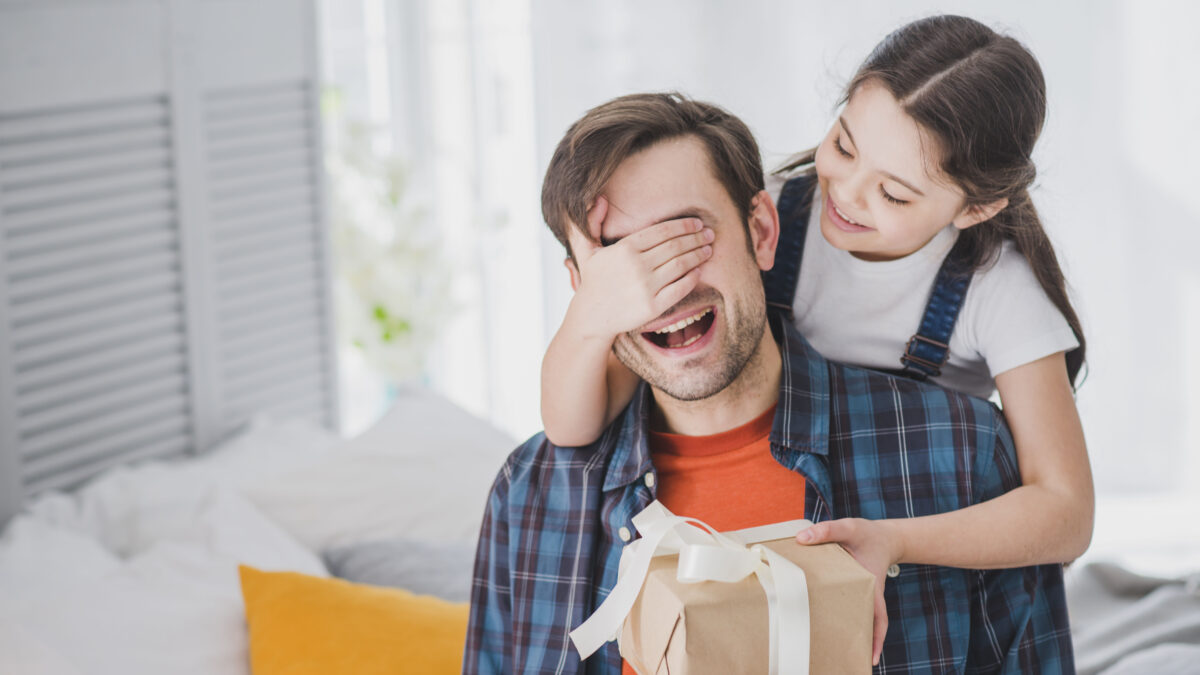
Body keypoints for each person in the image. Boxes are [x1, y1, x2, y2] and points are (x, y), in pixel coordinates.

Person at [539, 13, 1093, 662]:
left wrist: (896, 540)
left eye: (893, 194)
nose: (847, 195)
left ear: (976, 208)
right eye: (844, 147)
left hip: (899, 533)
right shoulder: (769, 213)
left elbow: (1066, 512)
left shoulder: (1000, 291)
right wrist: (593, 309)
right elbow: (572, 424)